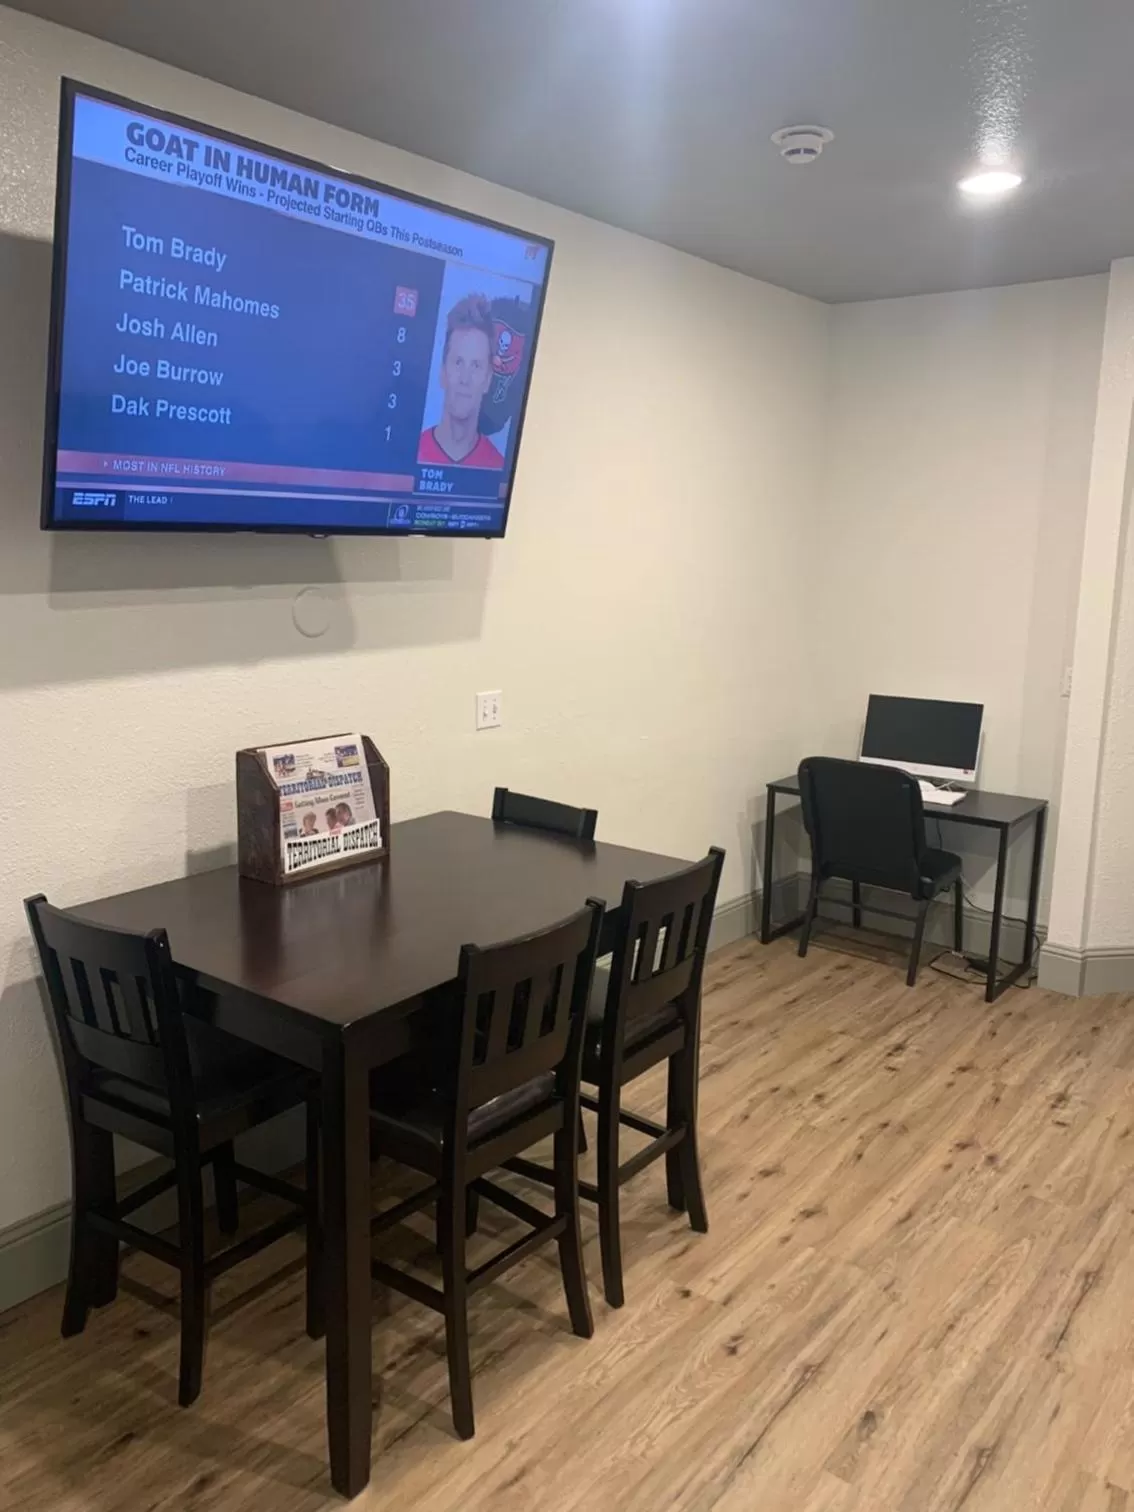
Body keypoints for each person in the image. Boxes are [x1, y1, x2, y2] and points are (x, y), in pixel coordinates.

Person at [418, 294, 505, 468]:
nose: (465, 379)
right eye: (458, 362)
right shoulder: (412, 449)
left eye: (476, 366)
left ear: (488, 380)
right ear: (443, 372)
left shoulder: (497, 465)